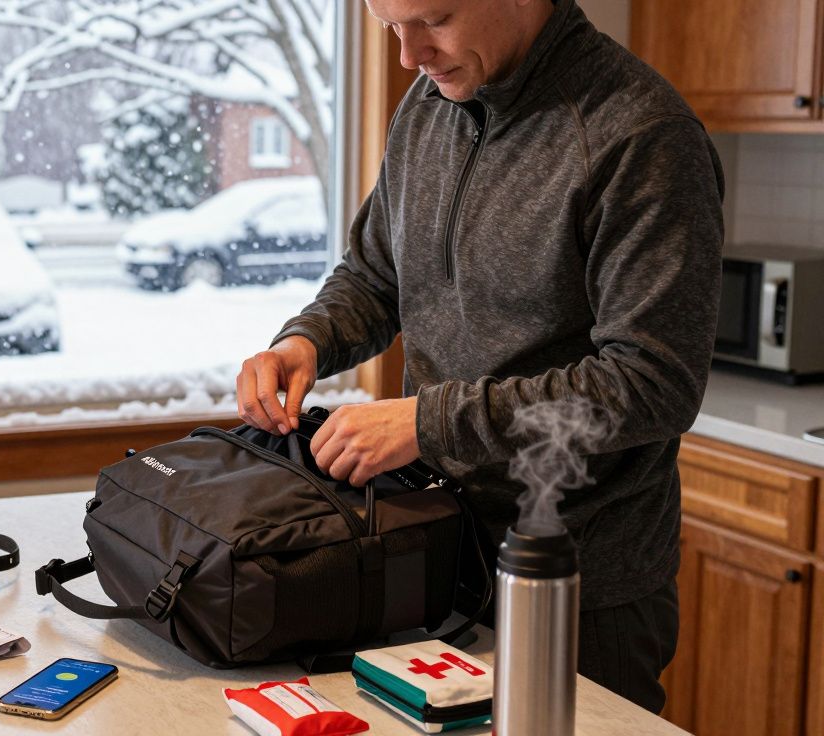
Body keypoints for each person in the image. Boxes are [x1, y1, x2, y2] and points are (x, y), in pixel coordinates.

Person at [235, 0, 724, 715]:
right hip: (435, 555)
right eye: (390, 26)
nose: (410, 55)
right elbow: (376, 276)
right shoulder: (430, 103)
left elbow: (653, 382)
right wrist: (305, 340)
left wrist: (427, 424)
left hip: (576, 590)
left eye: (434, 18)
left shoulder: (642, 136)